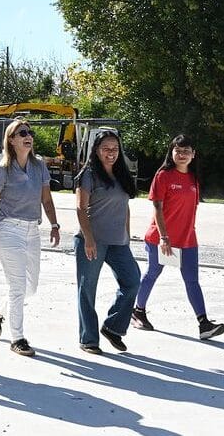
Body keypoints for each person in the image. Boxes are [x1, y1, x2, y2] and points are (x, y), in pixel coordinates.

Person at [0, 119, 60, 357]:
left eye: (30, 132)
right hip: (8, 230)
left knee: (30, 288)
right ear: (11, 140)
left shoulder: (39, 166)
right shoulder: (2, 170)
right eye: (22, 133)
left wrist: (54, 225)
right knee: (18, 287)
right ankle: (18, 338)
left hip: (33, 231)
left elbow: (46, 200)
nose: (28, 136)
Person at [131, 134, 224, 340]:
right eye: (178, 150)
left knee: (192, 281)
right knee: (153, 273)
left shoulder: (193, 178)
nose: (182, 155)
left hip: (187, 239)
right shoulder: (163, 176)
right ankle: (138, 311)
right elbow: (157, 207)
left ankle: (204, 324)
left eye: (186, 151)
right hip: (161, 238)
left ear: (193, 154)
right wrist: (164, 237)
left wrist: (188, 232)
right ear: (171, 152)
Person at [74, 129, 140, 354]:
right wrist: (88, 239)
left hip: (118, 242)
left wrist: (127, 235)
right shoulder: (89, 174)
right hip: (93, 240)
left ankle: (113, 327)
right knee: (87, 290)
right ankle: (88, 339)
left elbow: (125, 206)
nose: (111, 153)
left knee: (132, 281)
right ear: (96, 150)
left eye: (115, 149)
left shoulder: (121, 173)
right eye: (106, 149)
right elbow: (81, 208)